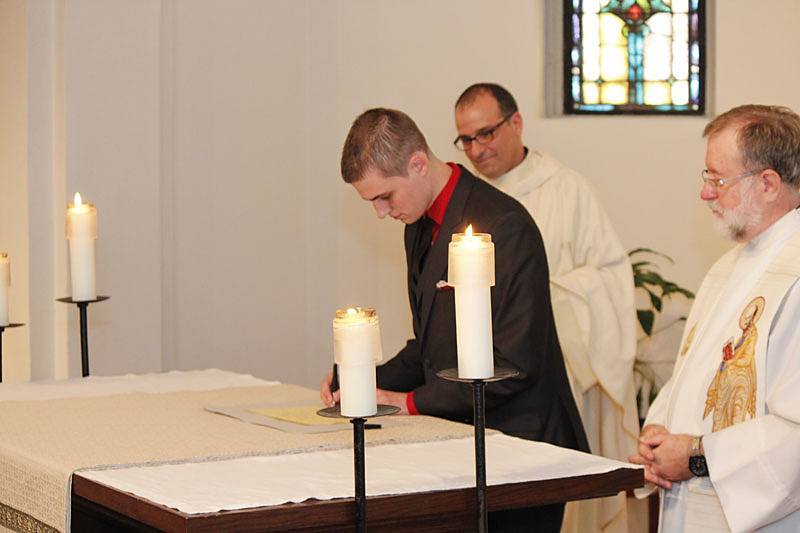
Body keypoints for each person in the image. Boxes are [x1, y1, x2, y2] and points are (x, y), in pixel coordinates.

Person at [321, 107, 589, 532]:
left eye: (384, 196)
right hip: (466, 443)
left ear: (418, 164)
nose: (381, 212)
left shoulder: (505, 225)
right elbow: (430, 348)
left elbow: (515, 363)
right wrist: (362, 377)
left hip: (523, 450)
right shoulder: (419, 224)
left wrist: (406, 403)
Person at [454, 83, 638, 532]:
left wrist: (540, 297)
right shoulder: (466, 199)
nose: (476, 150)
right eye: (466, 140)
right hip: (488, 382)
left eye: (486, 134)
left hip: (560, 377)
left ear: (515, 123)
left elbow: (611, 276)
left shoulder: (566, 189)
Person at [629, 104, 800, 532]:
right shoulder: (730, 266)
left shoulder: (794, 274)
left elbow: (795, 432)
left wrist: (697, 456)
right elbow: (690, 376)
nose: (706, 192)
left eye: (717, 178)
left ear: (767, 184)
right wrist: (658, 439)